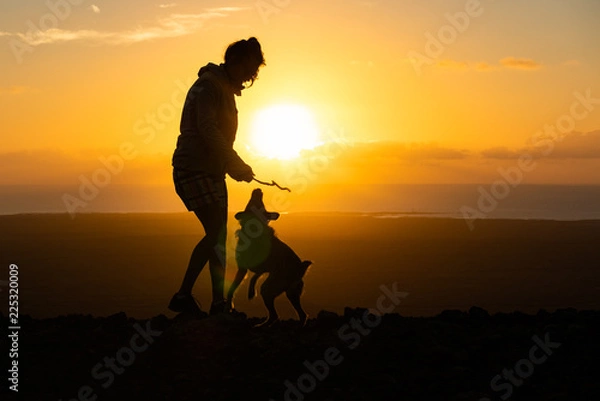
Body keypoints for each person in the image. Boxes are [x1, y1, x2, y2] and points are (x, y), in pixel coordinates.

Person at [168, 37, 266, 315]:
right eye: (250, 68)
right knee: (216, 235)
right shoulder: (209, 87)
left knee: (218, 238)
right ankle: (186, 296)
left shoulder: (218, 87)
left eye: (255, 72)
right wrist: (233, 161)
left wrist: (229, 166)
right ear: (234, 62)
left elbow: (215, 135)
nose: (251, 76)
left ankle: (217, 303)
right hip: (193, 169)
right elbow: (207, 129)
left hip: (209, 171)